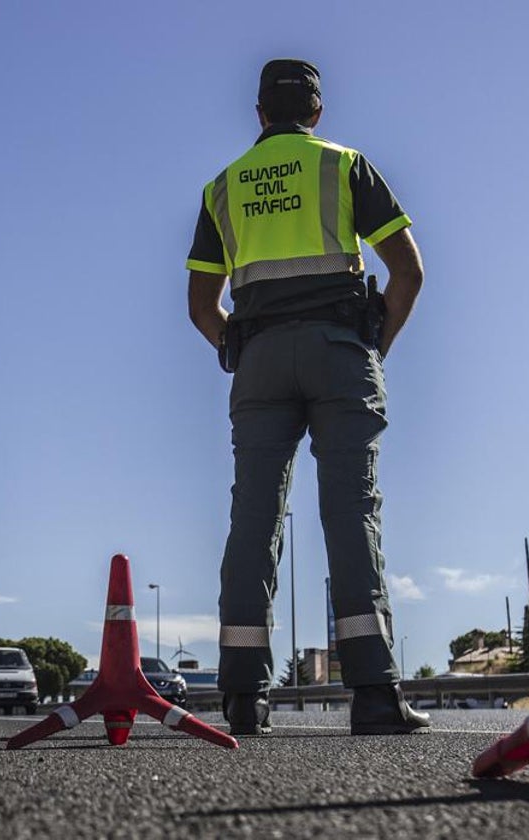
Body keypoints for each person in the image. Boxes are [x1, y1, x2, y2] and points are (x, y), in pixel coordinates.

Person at [185, 59, 427, 736]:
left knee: (253, 519)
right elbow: (407, 269)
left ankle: (241, 697)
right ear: (316, 113)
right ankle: (375, 695)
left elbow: (201, 303)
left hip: (258, 358)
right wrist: (376, 345)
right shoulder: (344, 164)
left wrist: (233, 346)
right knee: (351, 513)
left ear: (259, 112)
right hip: (338, 350)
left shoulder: (223, 186)